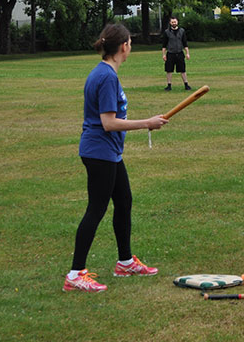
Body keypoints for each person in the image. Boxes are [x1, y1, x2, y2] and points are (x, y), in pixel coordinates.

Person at [64, 23, 169, 292]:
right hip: (99, 152)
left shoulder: (103, 72)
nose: (130, 46)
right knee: (96, 210)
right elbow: (109, 123)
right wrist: (147, 122)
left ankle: (125, 262)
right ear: (124, 46)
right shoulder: (107, 77)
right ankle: (75, 274)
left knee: (123, 202)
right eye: (130, 42)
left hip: (107, 152)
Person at [162, 17, 191, 91]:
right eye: (172, 22)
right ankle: (169, 85)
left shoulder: (182, 31)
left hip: (180, 53)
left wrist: (187, 53)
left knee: (183, 70)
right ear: (170, 23)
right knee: (169, 70)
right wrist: (164, 55)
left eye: (175, 22)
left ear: (177, 22)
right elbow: (164, 45)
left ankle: (186, 84)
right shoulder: (167, 32)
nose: (174, 23)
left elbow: (185, 43)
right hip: (170, 54)